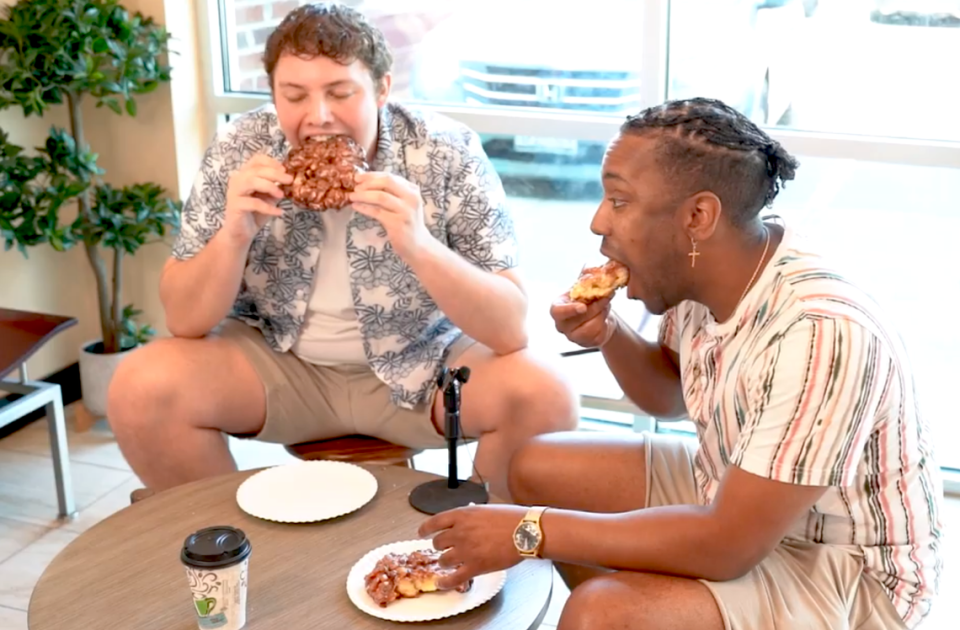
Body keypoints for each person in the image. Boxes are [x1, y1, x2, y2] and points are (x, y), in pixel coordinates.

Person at [417, 98, 944, 630]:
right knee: (534, 467)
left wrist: (530, 531)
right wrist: (607, 331)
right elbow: (667, 395)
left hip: (846, 568)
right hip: (731, 485)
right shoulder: (709, 266)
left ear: (698, 216)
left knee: (599, 613)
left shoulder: (821, 332)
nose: (599, 220)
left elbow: (727, 545)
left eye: (619, 201)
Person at [106, 2, 578, 502]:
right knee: (140, 386)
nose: (319, 116)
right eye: (294, 95)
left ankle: (483, 545)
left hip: (424, 365)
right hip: (279, 364)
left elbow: (510, 328)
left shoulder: (445, 150)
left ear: (382, 89)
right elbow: (184, 320)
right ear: (273, 95)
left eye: (340, 92)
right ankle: (230, 548)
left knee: (546, 391)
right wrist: (234, 234)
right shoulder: (239, 148)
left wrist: (418, 245)